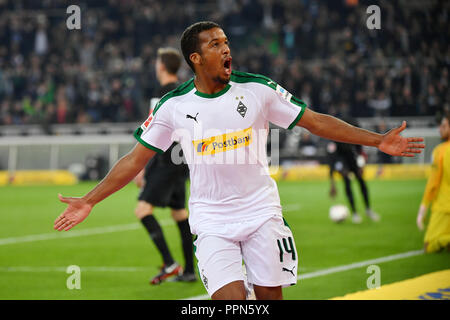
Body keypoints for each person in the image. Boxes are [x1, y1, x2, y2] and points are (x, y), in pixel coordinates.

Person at [54, 21, 425, 300]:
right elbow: (134, 160)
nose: (226, 48)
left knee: (268, 299)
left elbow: (315, 122)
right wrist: (89, 199)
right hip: (212, 222)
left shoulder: (258, 89)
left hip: (262, 213)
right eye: (216, 44)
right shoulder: (173, 107)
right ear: (195, 58)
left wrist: (378, 141)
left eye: (227, 42)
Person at [133, 48, 195, 284]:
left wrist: (141, 168)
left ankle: (170, 263)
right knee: (179, 213)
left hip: (166, 160)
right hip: (182, 159)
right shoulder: (185, 91)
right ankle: (189, 270)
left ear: (161, 66)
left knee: (142, 210)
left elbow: (152, 134)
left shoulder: (161, 96)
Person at [327, 116, 380, 224]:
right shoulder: (335, 136)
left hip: (353, 160)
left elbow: (360, 151)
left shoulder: (355, 137)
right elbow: (333, 159)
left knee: (362, 182)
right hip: (342, 161)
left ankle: (368, 210)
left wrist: (361, 166)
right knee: (347, 183)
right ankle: (355, 213)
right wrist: (333, 181)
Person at [416, 111, 450, 253]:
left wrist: (423, 208)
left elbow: (433, 183)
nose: (439, 129)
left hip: (444, 207)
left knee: (429, 246)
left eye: (443, 126)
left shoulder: (440, 151)